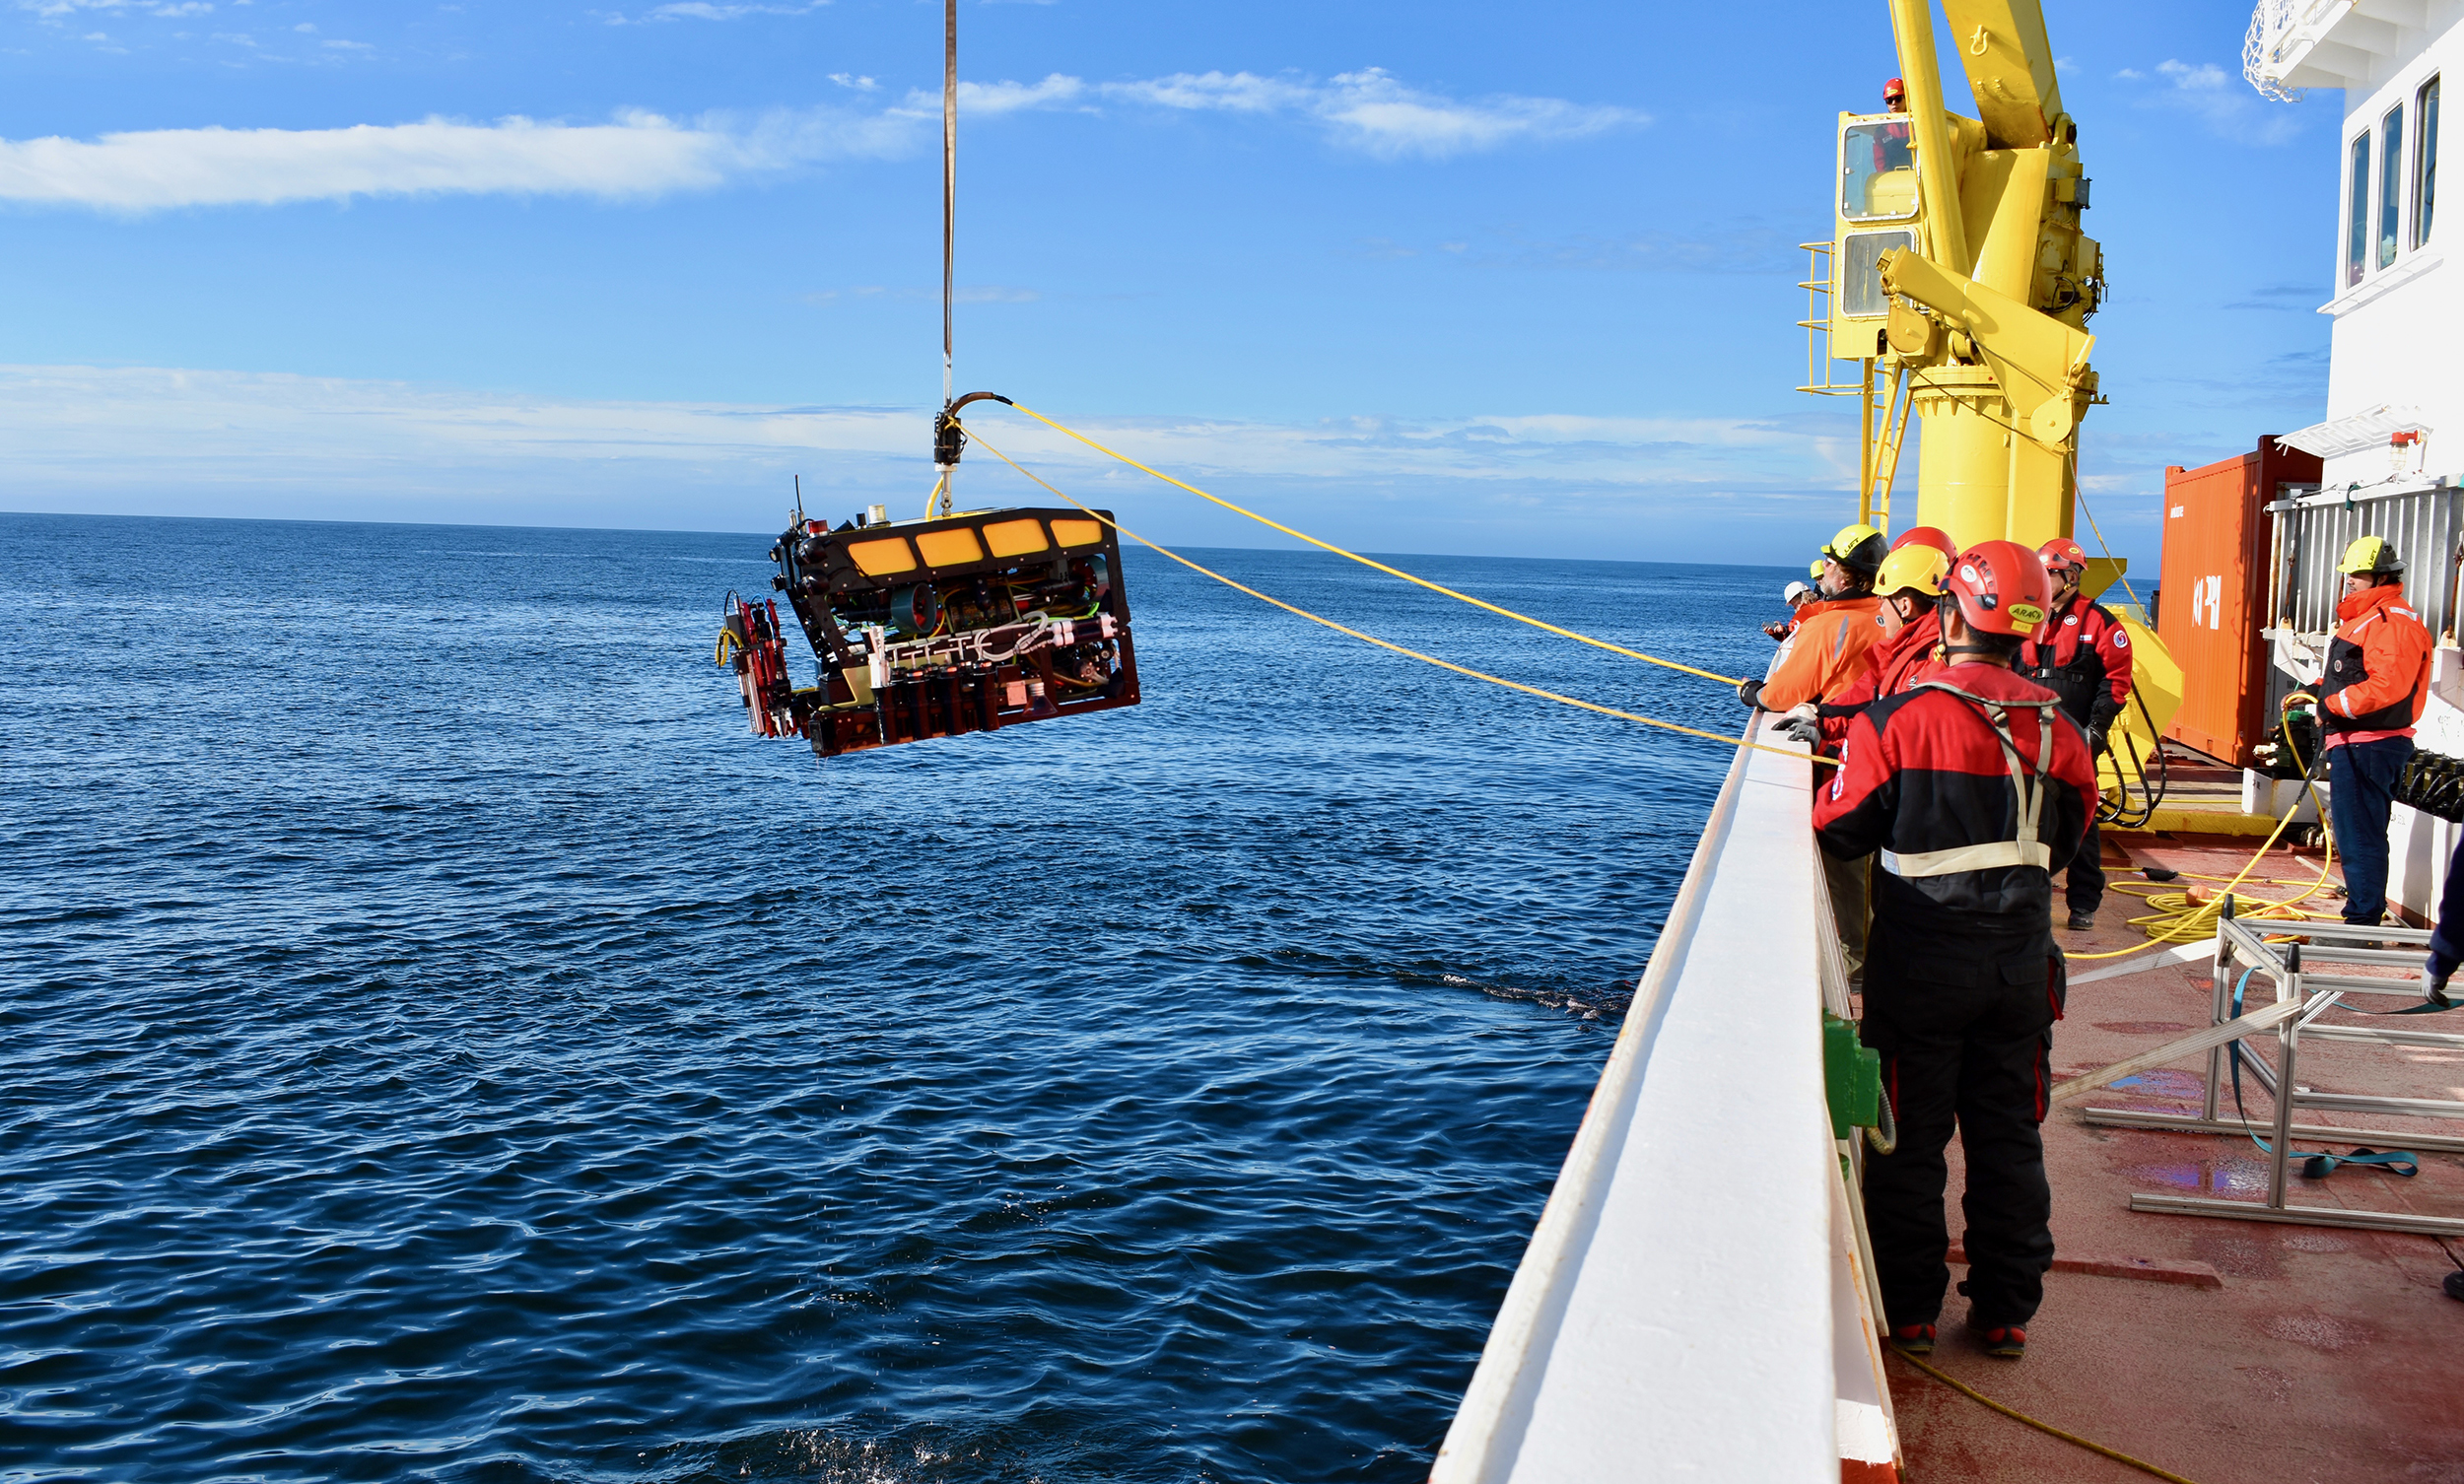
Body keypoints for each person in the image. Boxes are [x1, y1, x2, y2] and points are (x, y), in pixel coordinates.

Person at [1814, 540, 2096, 1363]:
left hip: (1922, 970)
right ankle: (2006, 1312)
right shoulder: (2059, 728)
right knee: (2010, 1136)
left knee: (1911, 1142)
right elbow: (2072, 840)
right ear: (2028, 625)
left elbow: (1841, 828)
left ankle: (1910, 1314)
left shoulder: (1900, 720)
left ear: (1948, 615)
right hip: (2019, 968)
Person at [2310, 535, 2432, 932]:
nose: (2348, 583)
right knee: (2354, 830)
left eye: (2356, 576)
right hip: (2356, 744)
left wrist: (2329, 706)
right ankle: (2362, 913)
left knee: (2360, 833)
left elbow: (2387, 686)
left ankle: (2362, 922)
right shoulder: (2372, 617)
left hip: (2370, 745)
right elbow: (2356, 674)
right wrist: (2314, 692)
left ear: (2380, 577)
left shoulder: (2391, 621)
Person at [2019, 537, 2134, 930]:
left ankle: (2083, 902)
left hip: (2076, 737)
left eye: (2047, 574)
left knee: (2080, 819)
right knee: (2027, 816)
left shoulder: (2099, 622)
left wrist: (2096, 730)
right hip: (2029, 736)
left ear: (2068, 577)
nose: (2040, 582)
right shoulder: (2028, 619)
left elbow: (2116, 681)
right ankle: (2030, 893)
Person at [1809, 542, 1951, 752]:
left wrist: (1827, 744)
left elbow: (1898, 742)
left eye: (1883, 597)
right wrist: (1824, 722)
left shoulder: (1929, 664)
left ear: (1904, 605)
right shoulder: (1913, 650)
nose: (1879, 605)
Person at [1742, 523, 1889, 713]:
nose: (1823, 566)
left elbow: (1783, 695)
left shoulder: (1827, 625)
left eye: (1829, 561)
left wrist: (1750, 692)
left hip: (1838, 733)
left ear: (1845, 576)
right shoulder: (1888, 615)